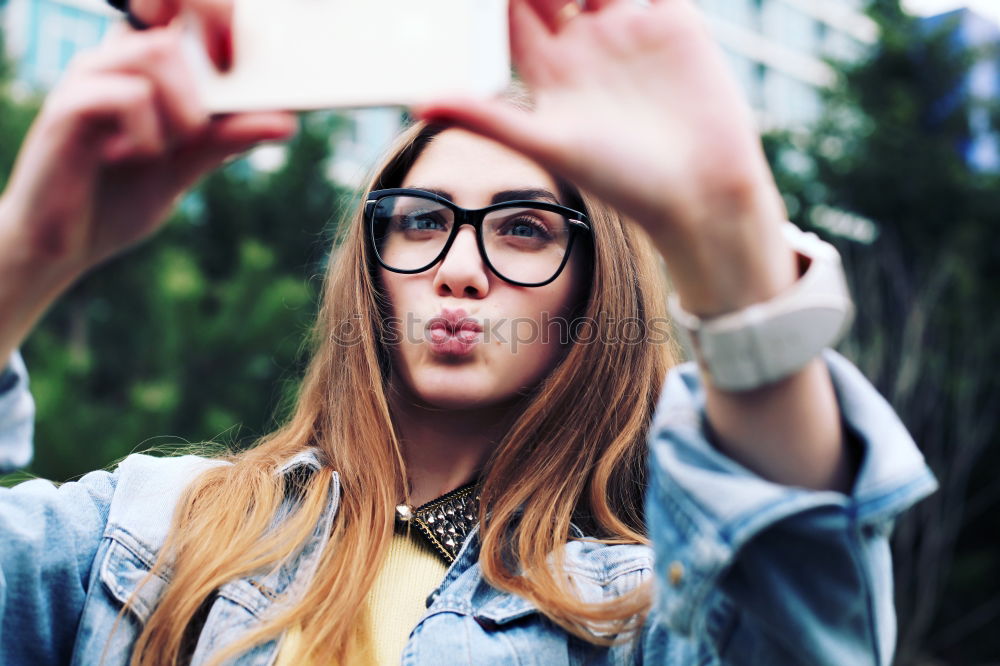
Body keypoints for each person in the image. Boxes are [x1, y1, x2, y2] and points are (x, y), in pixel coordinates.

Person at [0, 0, 938, 664]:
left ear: (594, 291)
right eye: (420, 219)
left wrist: (725, 238)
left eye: (524, 228)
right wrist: (27, 254)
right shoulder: (151, 530)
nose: (458, 264)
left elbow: (809, 623)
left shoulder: (648, 617)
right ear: (369, 270)